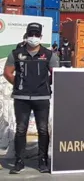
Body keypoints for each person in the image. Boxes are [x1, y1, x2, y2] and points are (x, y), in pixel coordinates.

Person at [3, 23, 60, 174]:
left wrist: (45, 85)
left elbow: (56, 74)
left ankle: (42, 161)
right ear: (26, 35)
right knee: (21, 129)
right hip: (21, 97)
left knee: (42, 129)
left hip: (42, 97)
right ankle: (19, 161)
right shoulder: (16, 53)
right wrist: (20, 84)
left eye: (36, 34)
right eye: (31, 34)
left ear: (40, 37)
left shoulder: (49, 55)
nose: (33, 37)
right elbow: (8, 72)